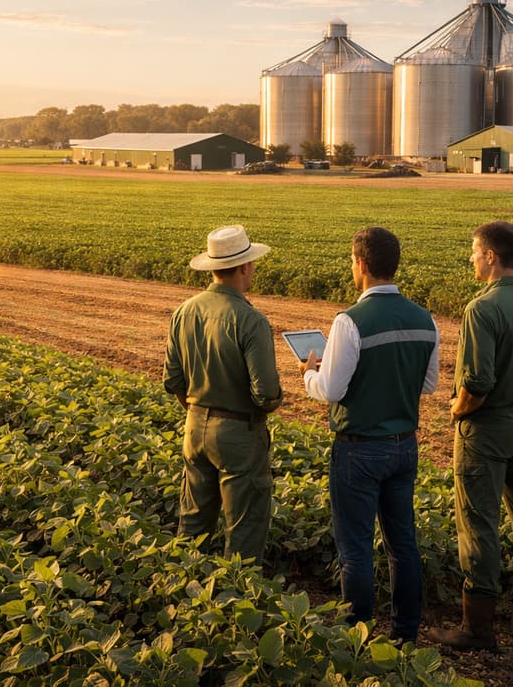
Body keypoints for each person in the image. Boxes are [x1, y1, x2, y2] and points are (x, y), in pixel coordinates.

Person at [426, 220, 513, 651]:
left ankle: (477, 629)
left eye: (474, 251)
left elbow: (477, 382)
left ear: (491, 256)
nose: (470, 258)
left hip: (487, 428)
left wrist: (456, 409)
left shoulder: (481, 309)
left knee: (478, 522)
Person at [301, 226, 439, 644]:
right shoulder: (424, 317)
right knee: (403, 546)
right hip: (404, 446)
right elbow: (429, 384)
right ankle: (405, 635)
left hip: (359, 449)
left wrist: (310, 372)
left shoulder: (349, 320)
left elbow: (331, 390)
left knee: (356, 550)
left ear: (360, 264)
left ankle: (355, 638)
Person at [164, 224, 283, 564]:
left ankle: (183, 594)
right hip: (238, 436)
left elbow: (173, 380)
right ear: (245, 267)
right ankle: (237, 599)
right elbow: (266, 395)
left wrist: (198, 409)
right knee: (244, 530)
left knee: (192, 524)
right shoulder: (250, 320)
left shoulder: (184, 312)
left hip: (194, 425)